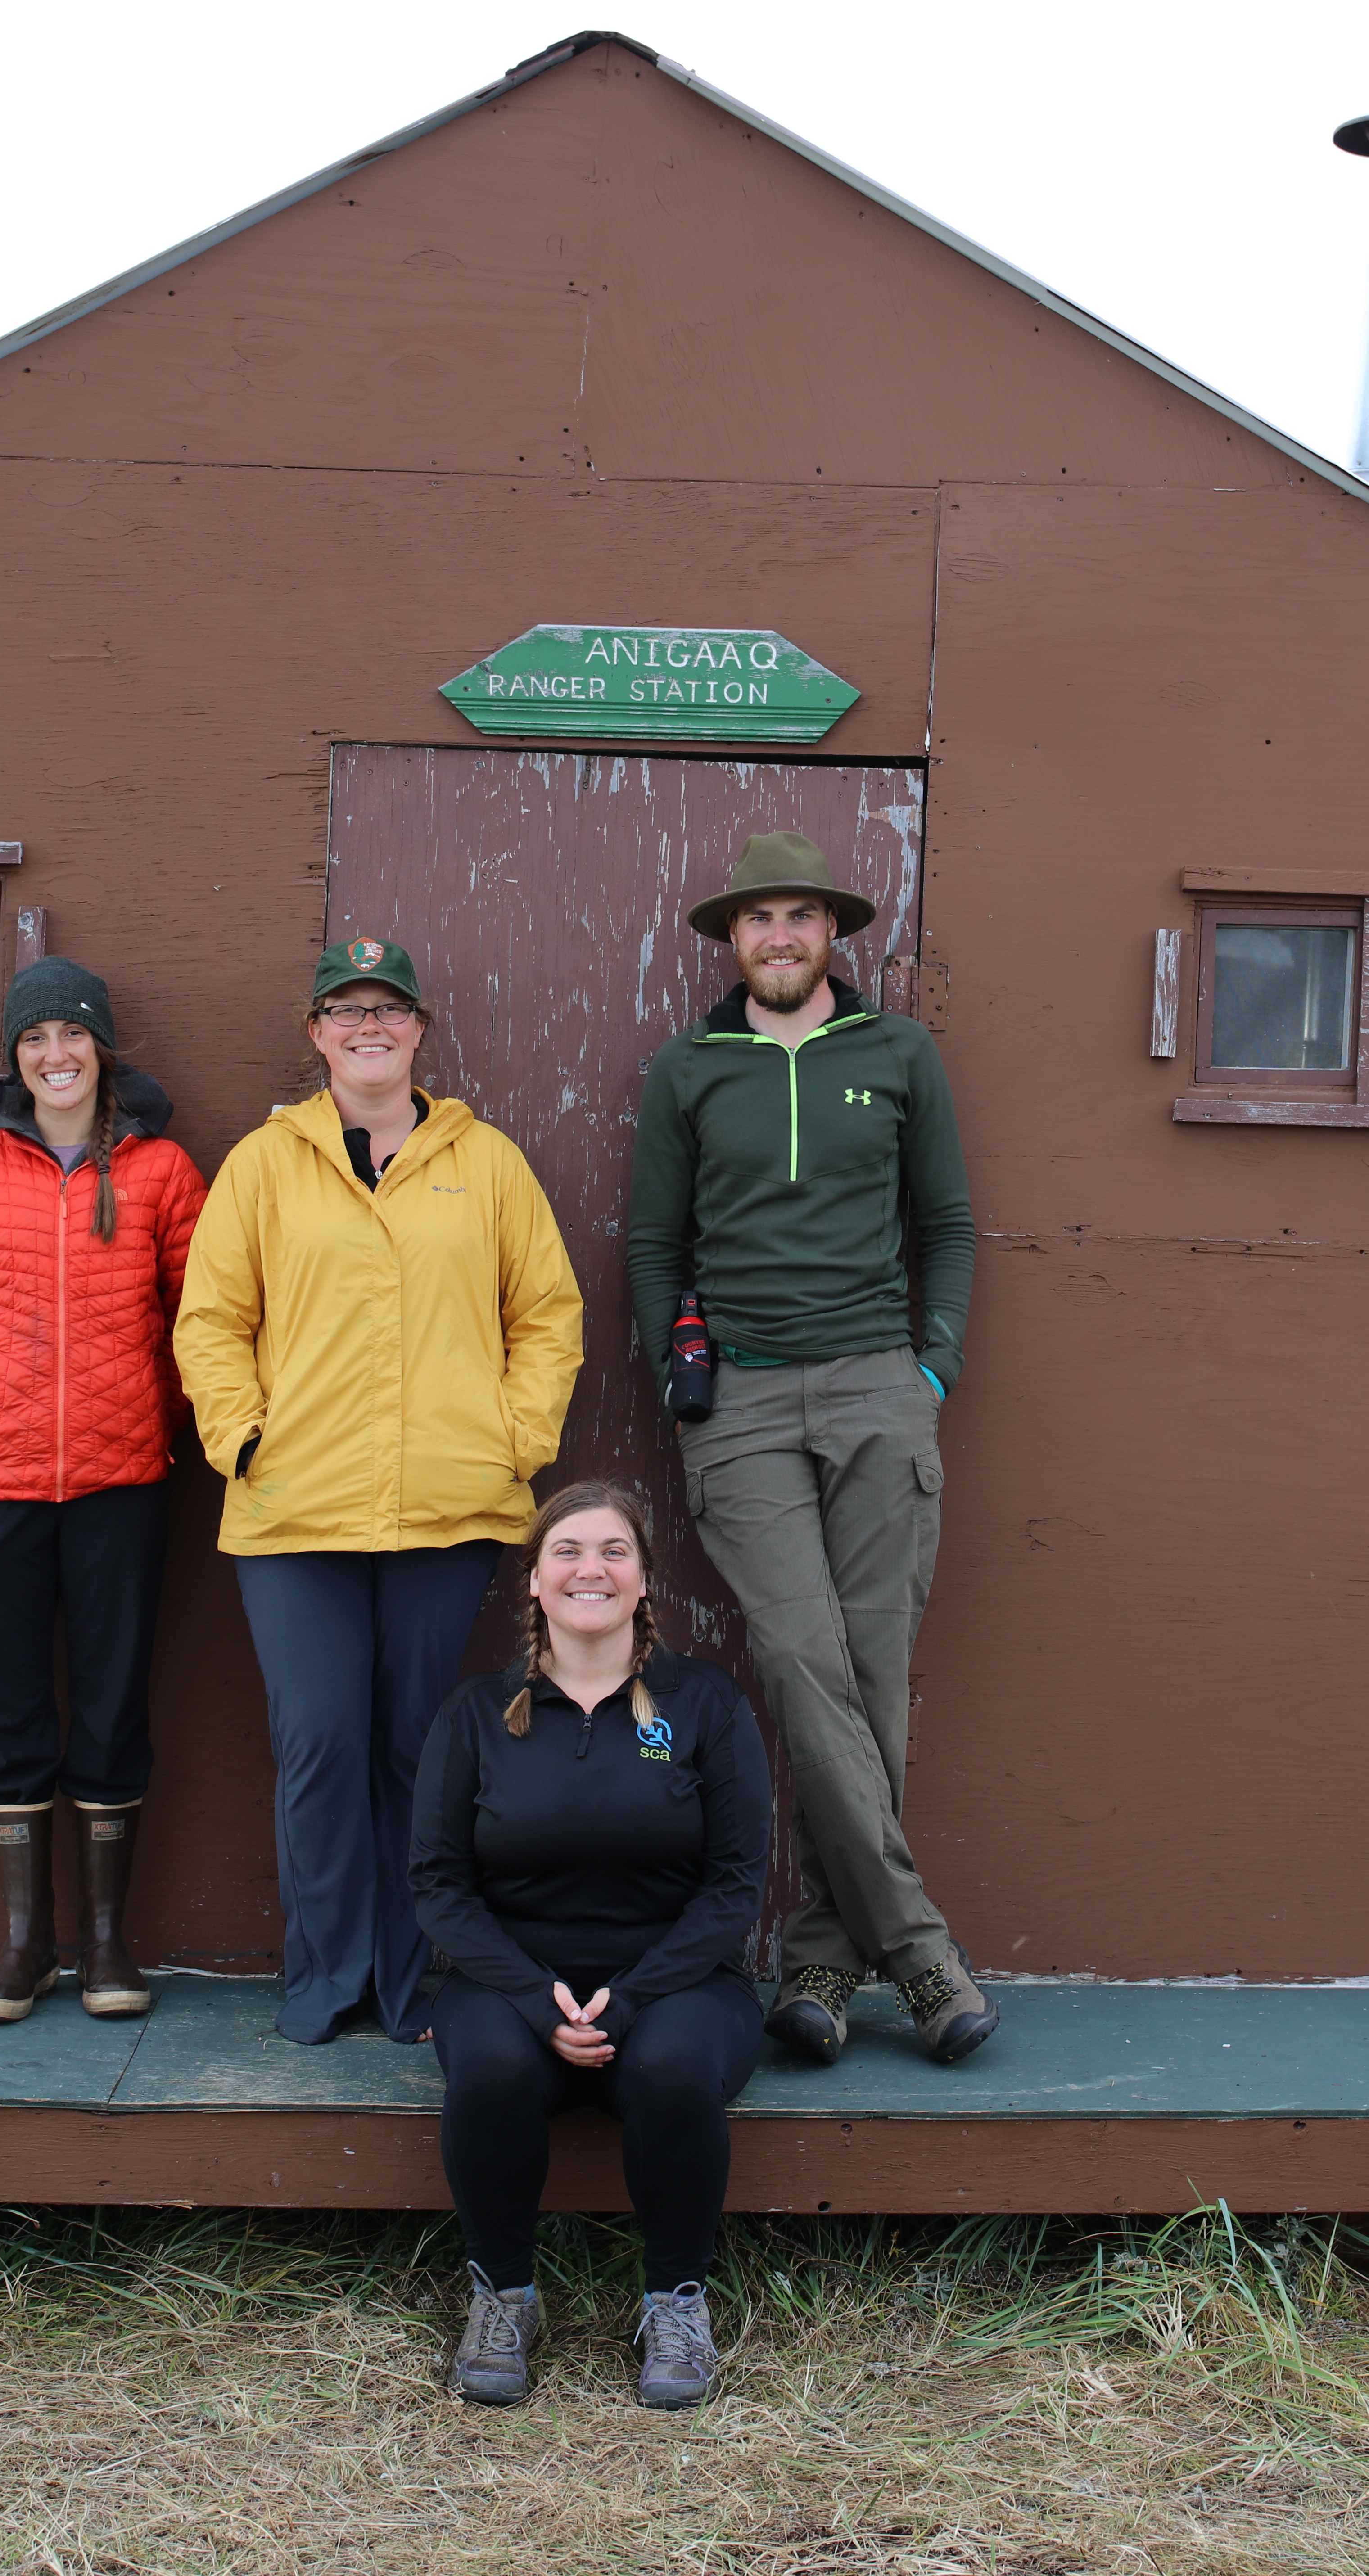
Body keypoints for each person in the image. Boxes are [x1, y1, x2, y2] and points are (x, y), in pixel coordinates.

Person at [624, 829, 994, 2069]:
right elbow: (652, 1239)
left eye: (800, 917)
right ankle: (922, 1950)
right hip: (741, 1403)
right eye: (757, 920)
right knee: (799, 1660)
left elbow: (945, 1220)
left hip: (877, 1386)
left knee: (871, 1672)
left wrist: (929, 1367)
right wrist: (674, 1359)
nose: (778, 937)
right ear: (730, 941)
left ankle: (826, 1964)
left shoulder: (897, 1054)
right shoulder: (691, 1067)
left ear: (832, 932)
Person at [173, 937, 585, 2045]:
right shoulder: (264, 1165)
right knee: (316, 1741)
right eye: (346, 1010)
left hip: (446, 1509)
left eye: (389, 1009)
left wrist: (514, 1439)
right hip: (294, 1509)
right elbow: (212, 1321)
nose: (369, 1027)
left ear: (419, 1029)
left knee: (416, 1741)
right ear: (315, 1033)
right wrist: (243, 1440)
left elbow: (547, 1312)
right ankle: (326, 1978)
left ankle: (410, 1981)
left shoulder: (485, 1161)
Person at [411, 1482, 770, 2409]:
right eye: (568, 1550)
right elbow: (439, 1886)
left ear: (645, 1580)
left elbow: (735, 1882)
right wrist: (535, 1999)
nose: (591, 1569)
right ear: (534, 1581)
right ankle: (504, 2296)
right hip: (509, 1979)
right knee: (487, 2067)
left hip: (679, 1980)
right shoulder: (477, 1715)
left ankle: (675, 2302)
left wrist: (640, 1994)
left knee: (672, 2069)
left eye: (615, 1551)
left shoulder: (706, 1704)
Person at [0, 956, 208, 2026]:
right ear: (16, 1060)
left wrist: (149, 1413)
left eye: (73, 1036)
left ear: (103, 1049)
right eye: (35, 1040)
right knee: (9, 1699)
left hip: (124, 1479)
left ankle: (109, 1944)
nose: (56, 1055)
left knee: (115, 1696)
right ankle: (27, 1946)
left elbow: (197, 1317)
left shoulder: (165, 1171)